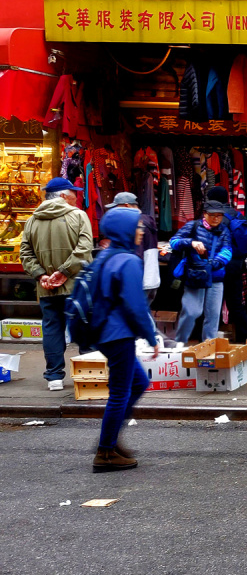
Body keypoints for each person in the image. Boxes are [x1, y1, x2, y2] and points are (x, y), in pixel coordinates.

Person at [91, 206, 160, 471]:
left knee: (139, 382)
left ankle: (110, 439)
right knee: (120, 392)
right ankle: (105, 451)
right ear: (125, 231)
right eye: (137, 227)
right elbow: (135, 306)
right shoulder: (129, 260)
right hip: (118, 335)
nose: (141, 231)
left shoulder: (106, 256)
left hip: (105, 333)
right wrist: (151, 337)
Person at [19, 177, 93, 391]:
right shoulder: (79, 216)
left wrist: (41, 275)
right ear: (62, 195)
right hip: (76, 286)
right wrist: (64, 272)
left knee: (52, 328)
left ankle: (54, 377)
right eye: (73, 193)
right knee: (85, 326)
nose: (77, 198)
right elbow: (84, 250)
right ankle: (88, 373)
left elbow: (25, 254)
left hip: (46, 287)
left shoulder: (32, 220)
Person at [170, 198, 232, 344]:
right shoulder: (193, 226)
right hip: (195, 275)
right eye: (212, 215)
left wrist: (215, 264)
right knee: (192, 312)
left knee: (214, 315)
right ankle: (179, 344)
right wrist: (190, 242)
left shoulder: (224, 230)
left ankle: (209, 346)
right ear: (204, 214)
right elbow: (174, 242)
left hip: (216, 277)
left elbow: (227, 250)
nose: (216, 218)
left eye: (219, 215)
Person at [205, 186, 247, 341]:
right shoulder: (237, 215)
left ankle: (208, 339)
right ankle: (246, 336)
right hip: (236, 266)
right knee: (235, 304)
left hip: (220, 267)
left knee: (211, 304)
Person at [105, 191, 160, 303]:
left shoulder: (136, 224)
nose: (115, 211)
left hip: (140, 282)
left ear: (127, 206)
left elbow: (137, 254)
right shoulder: (147, 220)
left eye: (117, 207)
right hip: (152, 278)